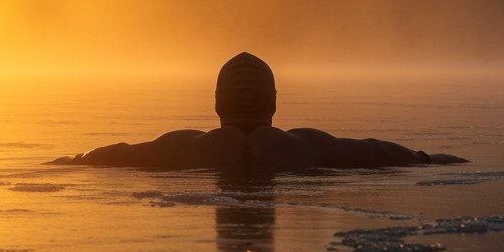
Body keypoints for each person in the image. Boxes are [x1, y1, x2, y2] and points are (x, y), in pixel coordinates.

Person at [51, 52, 468, 171]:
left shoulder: (180, 148)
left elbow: (114, 154)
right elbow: (381, 153)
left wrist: (71, 158)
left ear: (216, 103)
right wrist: (434, 158)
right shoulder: (306, 146)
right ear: (274, 103)